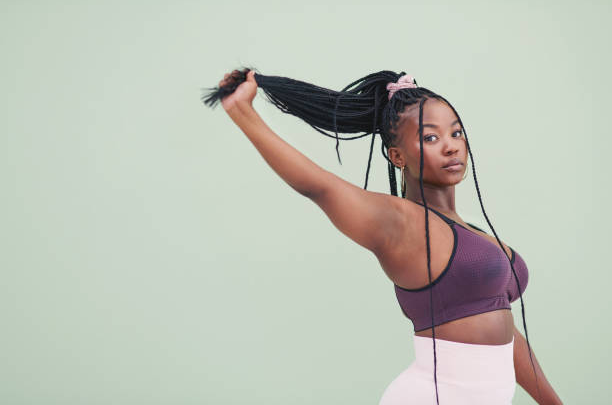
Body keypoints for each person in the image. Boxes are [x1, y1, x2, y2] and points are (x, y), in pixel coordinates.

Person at [203, 68, 563, 404]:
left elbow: (503, 331)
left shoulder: (469, 230)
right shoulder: (401, 223)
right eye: (431, 137)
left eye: (456, 132)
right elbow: (320, 187)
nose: (452, 145)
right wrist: (242, 112)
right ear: (397, 156)